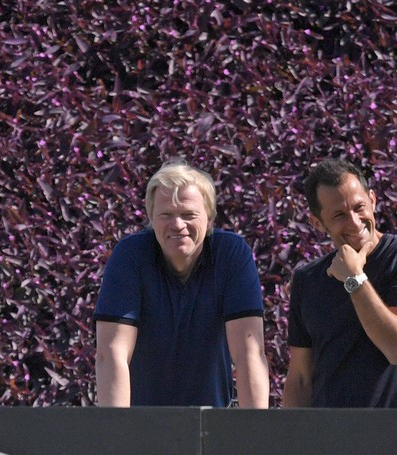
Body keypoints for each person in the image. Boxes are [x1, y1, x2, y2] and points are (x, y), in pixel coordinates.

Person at [93, 159, 269, 408]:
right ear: (151, 219)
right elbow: (111, 353)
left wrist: (254, 434)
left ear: (209, 218)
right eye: (166, 214)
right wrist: (120, 436)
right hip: (142, 421)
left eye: (189, 215)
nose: (177, 224)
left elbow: (249, 352)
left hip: (212, 421)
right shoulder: (130, 255)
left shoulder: (231, 254)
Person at [282, 159, 397, 408]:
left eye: (359, 207)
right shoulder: (308, 280)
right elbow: (301, 378)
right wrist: (290, 441)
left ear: (373, 200)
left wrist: (354, 277)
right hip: (331, 437)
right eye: (339, 215)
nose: (355, 222)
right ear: (317, 223)